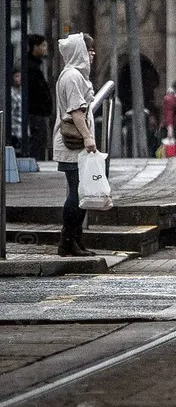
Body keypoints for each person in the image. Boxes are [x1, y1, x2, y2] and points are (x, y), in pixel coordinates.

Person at [53, 33, 98, 257]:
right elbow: (76, 111)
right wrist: (88, 137)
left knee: (80, 191)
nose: (92, 54)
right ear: (79, 51)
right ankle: (67, 241)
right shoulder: (71, 77)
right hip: (73, 143)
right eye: (88, 50)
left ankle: (74, 240)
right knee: (77, 193)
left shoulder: (76, 76)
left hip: (76, 143)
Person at [24, 34, 53, 160]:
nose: (45, 48)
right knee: (38, 140)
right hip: (35, 112)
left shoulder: (34, 66)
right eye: (43, 45)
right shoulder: (31, 67)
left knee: (40, 140)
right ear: (35, 47)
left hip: (38, 112)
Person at [8, 70, 22, 149]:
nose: (19, 79)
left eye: (20, 76)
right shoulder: (11, 92)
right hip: (14, 125)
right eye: (16, 76)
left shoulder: (23, 91)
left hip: (22, 124)